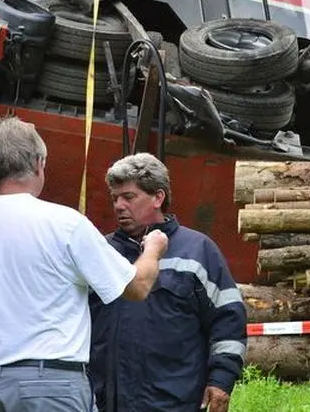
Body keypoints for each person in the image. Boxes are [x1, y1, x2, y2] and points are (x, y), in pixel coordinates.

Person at [0, 116, 166, 411]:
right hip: (52, 386)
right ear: (38, 164)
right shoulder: (64, 224)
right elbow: (137, 287)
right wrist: (153, 248)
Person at [88, 153, 247, 412]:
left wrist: (221, 379)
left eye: (129, 197)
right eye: (115, 198)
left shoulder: (198, 251)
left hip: (174, 402)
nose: (118, 205)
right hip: (106, 402)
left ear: (158, 198)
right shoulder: (101, 252)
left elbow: (228, 319)